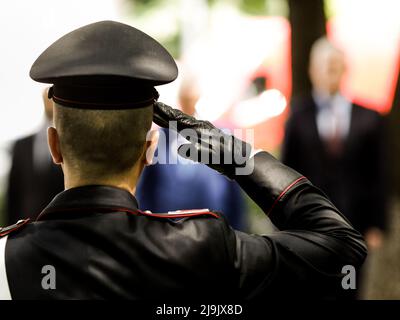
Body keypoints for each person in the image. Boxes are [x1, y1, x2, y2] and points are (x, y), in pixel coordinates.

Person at [0, 21, 366, 300]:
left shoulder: (5, 256)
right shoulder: (201, 246)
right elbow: (342, 247)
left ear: (54, 146)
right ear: (150, 148)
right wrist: (235, 154)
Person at [282, 37, 387, 250]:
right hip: (309, 225)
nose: (330, 70)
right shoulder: (298, 117)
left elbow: (378, 172)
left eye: (335, 65)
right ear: (312, 70)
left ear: (345, 69)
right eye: (324, 65)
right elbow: (286, 171)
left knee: (351, 281)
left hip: (356, 223)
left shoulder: (369, 118)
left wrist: (377, 223)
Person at [136, 76, 247, 230]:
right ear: (180, 99)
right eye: (186, 98)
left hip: (213, 229)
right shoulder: (163, 137)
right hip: (168, 229)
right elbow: (146, 187)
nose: (190, 102)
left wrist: (239, 231)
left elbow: (234, 190)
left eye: (193, 98)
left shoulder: (218, 136)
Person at [5, 88, 64, 224]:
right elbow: (13, 193)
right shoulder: (21, 145)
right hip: (25, 226)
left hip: (58, 226)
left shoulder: (68, 143)